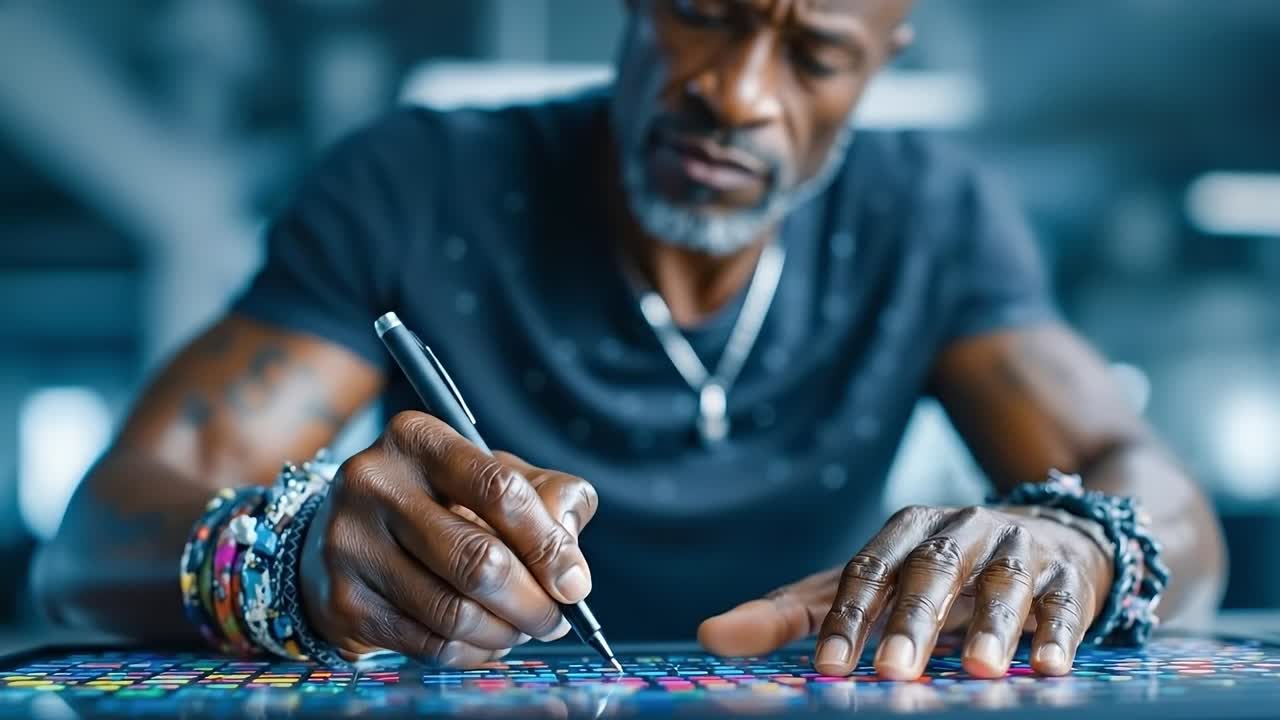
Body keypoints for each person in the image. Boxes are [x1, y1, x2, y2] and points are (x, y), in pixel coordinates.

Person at [34, 0, 1225, 681]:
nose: (736, 93)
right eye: (701, 11)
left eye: (812, 53)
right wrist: (288, 563)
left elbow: (1148, 485)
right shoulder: (416, 185)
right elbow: (94, 538)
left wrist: (1079, 541)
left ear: (883, 52)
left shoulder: (931, 218)